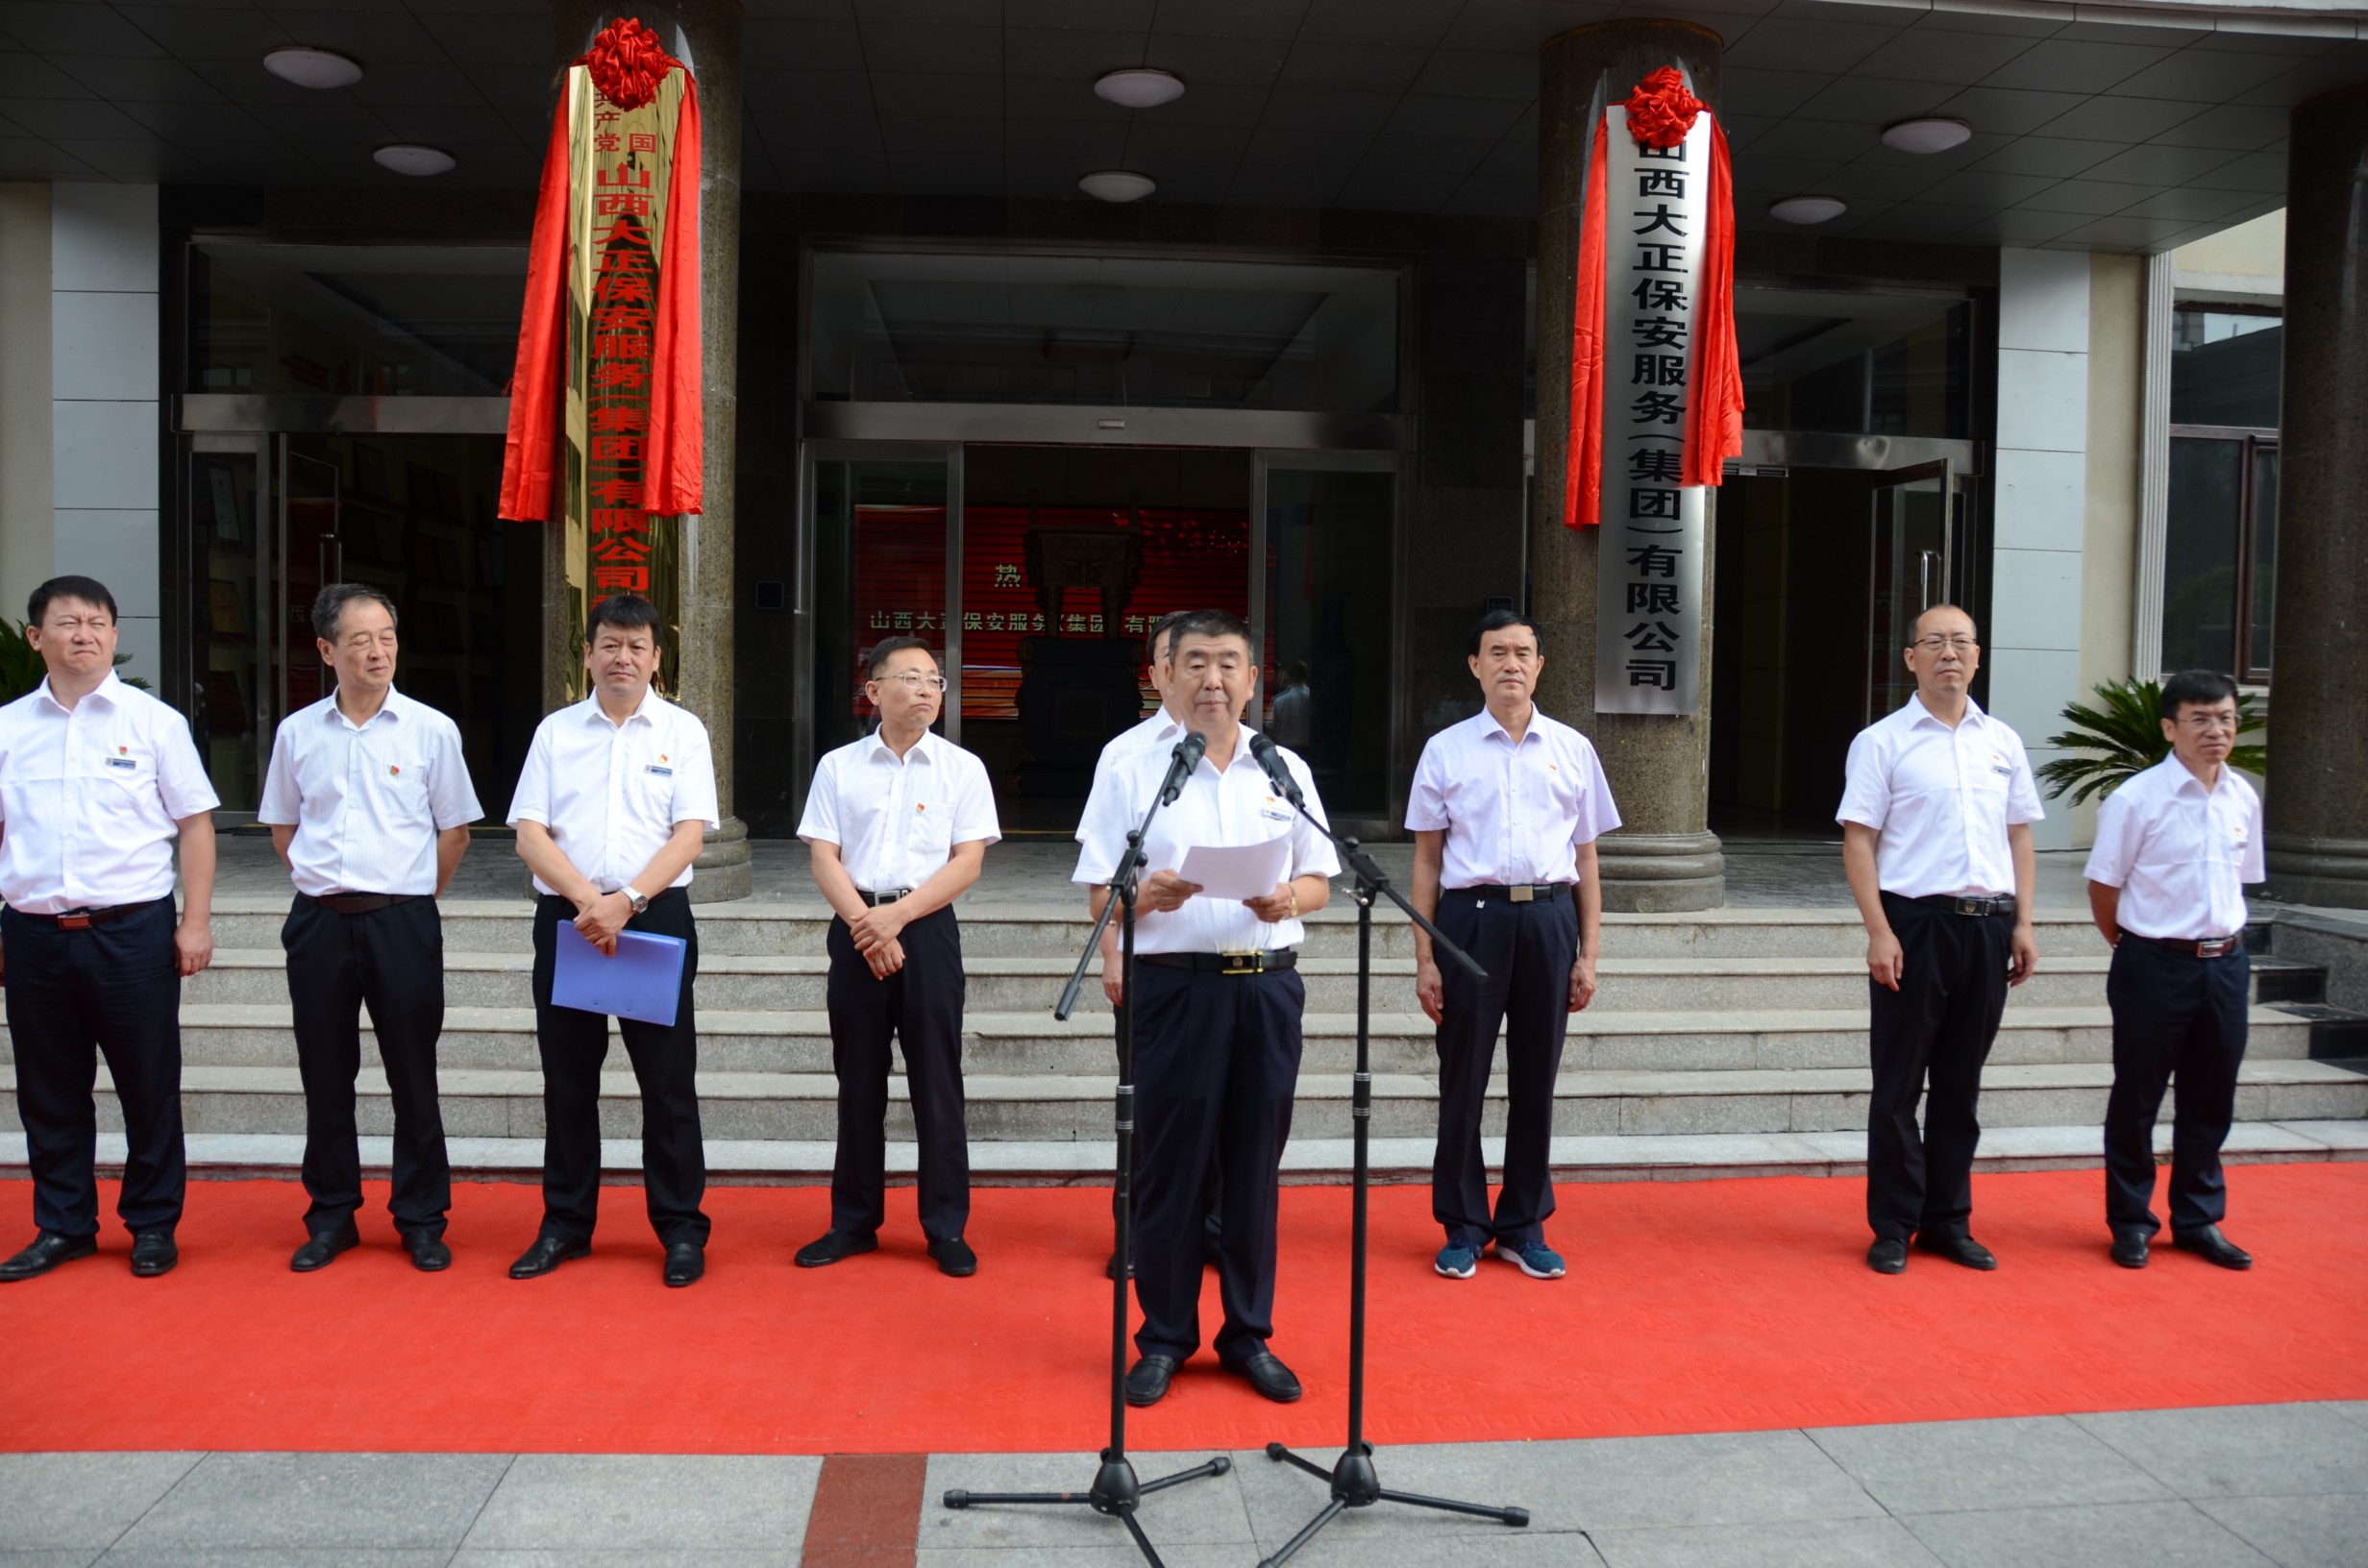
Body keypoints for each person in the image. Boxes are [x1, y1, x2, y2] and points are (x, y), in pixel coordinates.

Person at [1073, 609, 1339, 1409]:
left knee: (1255, 1168)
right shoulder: (1132, 766)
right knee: (1171, 1168)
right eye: (1195, 663)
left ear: (1254, 680)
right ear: (1165, 675)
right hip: (1174, 990)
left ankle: (1248, 1334)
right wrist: (1143, 895)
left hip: (1266, 987)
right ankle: (1163, 1338)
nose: (1212, 679)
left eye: (1228, 664)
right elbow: (1099, 893)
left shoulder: (1282, 767)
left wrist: (1289, 897)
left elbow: (1321, 880)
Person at [257, 583, 481, 1274]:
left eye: (386, 636)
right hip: (320, 923)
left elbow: (455, 831)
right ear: (327, 650)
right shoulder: (298, 732)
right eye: (360, 640)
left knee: (413, 1075)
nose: (377, 651)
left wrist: (411, 894)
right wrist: (325, 882)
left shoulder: (431, 730)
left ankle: (421, 1218)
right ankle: (331, 1215)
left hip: (401, 922)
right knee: (325, 1074)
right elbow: (284, 826)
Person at [0, 576, 218, 1283]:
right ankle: (63, 1225)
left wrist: (194, 922)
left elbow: (195, 825)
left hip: (131, 932)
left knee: (147, 1084)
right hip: (33, 934)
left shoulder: (154, 723)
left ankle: (152, 1224)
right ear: (37, 637)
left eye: (97, 623)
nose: (84, 634)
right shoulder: (7, 728)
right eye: (68, 623)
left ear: (116, 636)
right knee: (48, 1089)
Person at [506, 593, 719, 1287]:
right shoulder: (556, 732)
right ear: (589, 653)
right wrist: (588, 903)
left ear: (657, 658)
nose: (622, 657)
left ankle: (681, 1229)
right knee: (568, 1081)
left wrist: (626, 901)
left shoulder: (683, 731)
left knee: (668, 1083)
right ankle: (565, 1225)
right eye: (609, 644)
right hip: (571, 922)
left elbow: (690, 834)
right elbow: (529, 833)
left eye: (636, 646)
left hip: (652, 918)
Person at [1407, 610, 1619, 1281]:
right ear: (1475, 665)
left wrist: (1589, 953)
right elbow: (1426, 862)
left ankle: (1524, 1224)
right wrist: (1425, 957)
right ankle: (1464, 1225)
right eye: (1497, 652)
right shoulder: (1446, 750)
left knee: (1536, 1079)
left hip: (1550, 919)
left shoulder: (1572, 748)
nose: (1511, 664)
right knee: (1462, 1076)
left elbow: (1586, 859)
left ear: (1540, 665)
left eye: (1523, 652)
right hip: (1470, 921)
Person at [1838, 604, 2042, 1276]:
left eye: (1960, 642)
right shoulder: (1882, 742)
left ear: (1978, 656)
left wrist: (2023, 922)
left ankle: (1949, 1221)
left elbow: (2019, 836)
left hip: (1988, 926)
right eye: (1934, 642)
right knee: (1899, 1084)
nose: (1948, 653)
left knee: (1961, 1085)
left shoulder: (2002, 742)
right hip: (1915, 926)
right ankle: (1894, 1225)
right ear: (1911, 658)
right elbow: (1859, 841)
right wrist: (1879, 931)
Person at [795, 637, 1000, 1276]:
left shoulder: (962, 769)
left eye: (934, 679)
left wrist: (898, 919)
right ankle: (853, 1222)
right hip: (856, 928)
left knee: (938, 1080)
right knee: (857, 1081)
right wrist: (868, 925)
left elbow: (967, 862)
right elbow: (824, 855)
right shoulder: (838, 767)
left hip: (927, 930)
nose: (926, 689)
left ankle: (946, 1227)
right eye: (910, 677)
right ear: (873, 690)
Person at [2084, 670, 2262, 1271]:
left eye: (2226, 718)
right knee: (2137, 1097)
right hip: (2155, 964)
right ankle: (2131, 1221)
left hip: (2226, 963)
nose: (2216, 730)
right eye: (2201, 719)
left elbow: (2240, 881)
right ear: (2169, 727)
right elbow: (2104, 887)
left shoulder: (2242, 797)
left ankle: (2197, 1219)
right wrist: (2134, 945)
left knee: (2212, 1097)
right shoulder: (2137, 799)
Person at [1267, 662, 1314, 751]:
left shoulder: (1278, 701)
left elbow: (1270, 731)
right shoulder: (1313, 701)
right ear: (1306, 677)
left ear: (1288, 676)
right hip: (1309, 752)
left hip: (1284, 750)